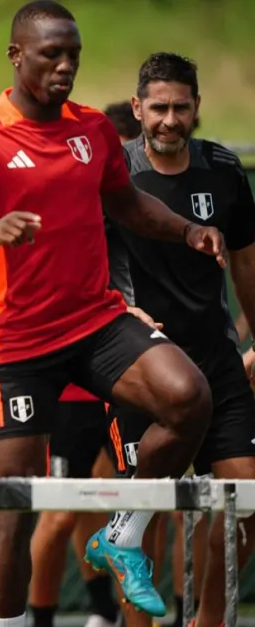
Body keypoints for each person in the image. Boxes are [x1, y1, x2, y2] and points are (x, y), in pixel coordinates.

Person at [0, 0, 224, 627]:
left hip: (96, 322)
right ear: (16, 55)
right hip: (20, 340)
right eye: (51, 55)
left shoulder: (90, 130)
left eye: (74, 56)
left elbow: (129, 205)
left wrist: (187, 231)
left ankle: (121, 532)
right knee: (17, 502)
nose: (65, 68)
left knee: (189, 397)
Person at [103, 52, 255, 627]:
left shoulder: (222, 168)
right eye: (158, 107)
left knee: (248, 499)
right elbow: (84, 256)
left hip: (217, 363)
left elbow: (245, 265)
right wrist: (119, 304)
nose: (169, 119)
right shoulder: (113, 174)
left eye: (181, 107)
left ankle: (208, 620)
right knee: (144, 516)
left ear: (197, 108)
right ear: (138, 108)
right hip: (142, 369)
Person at [27, 101, 141, 627]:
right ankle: (43, 617)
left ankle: (119, 612)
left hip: (133, 384)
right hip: (74, 389)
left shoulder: (144, 209)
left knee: (139, 507)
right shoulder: (65, 205)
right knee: (63, 509)